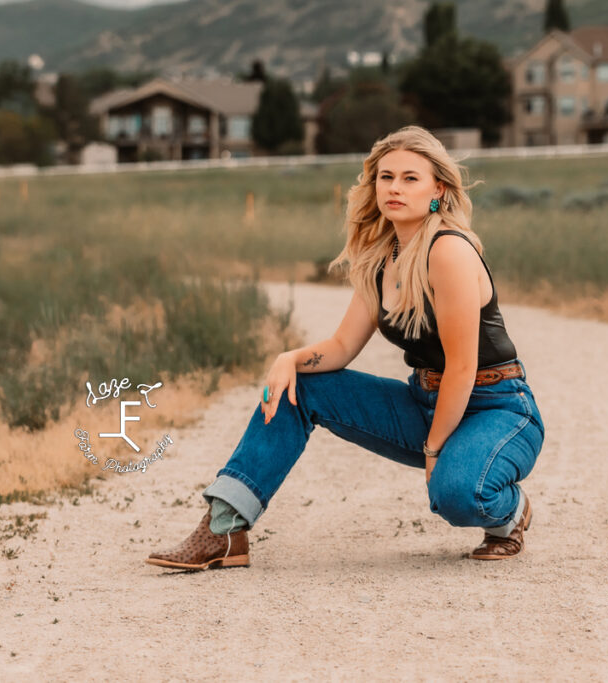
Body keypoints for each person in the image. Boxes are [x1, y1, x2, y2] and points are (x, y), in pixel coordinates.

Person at [146, 125, 544, 570]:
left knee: (455, 493)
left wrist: (434, 451)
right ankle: (224, 529)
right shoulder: (380, 257)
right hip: (426, 401)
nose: (394, 187)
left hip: (496, 408)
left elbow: (463, 367)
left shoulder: (448, 250)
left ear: (439, 190)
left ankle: (508, 514)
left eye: (411, 178)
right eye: (385, 177)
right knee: (301, 387)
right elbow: (341, 347)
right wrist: (288, 359)